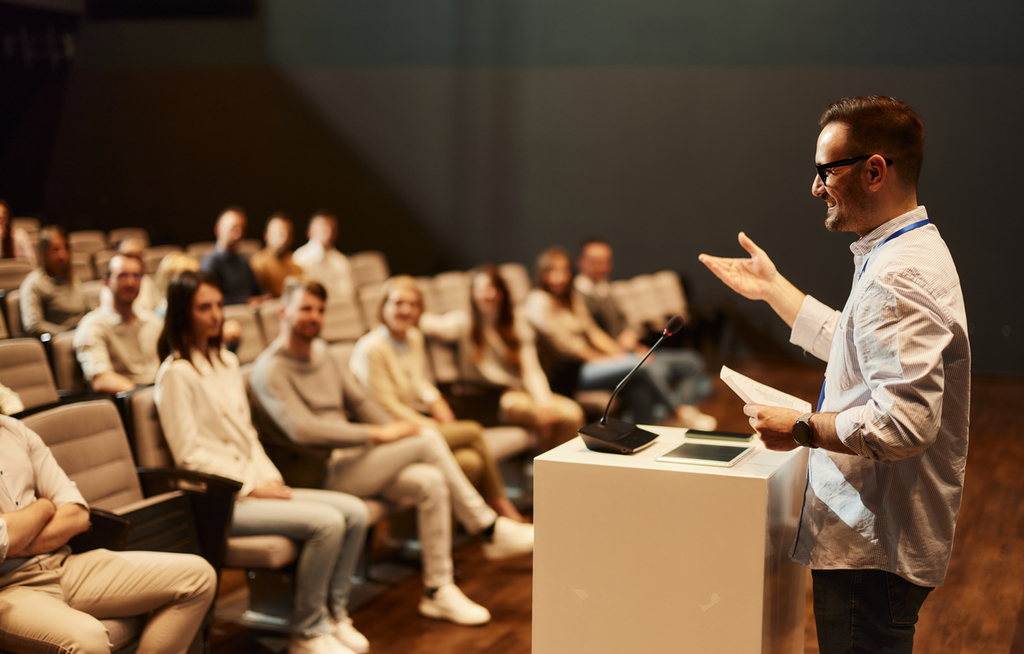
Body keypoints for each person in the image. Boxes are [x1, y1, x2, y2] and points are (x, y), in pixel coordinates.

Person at [699, 95, 969, 654]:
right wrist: (774, 290)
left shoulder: (899, 275)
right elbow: (860, 344)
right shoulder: (903, 251)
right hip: (874, 537)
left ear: (874, 171)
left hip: (873, 546)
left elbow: (905, 425)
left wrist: (802, 427)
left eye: (827, 171)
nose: (817, 188)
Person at [249, 278, 535, 627]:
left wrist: (390, 431)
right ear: (283, 312)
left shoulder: (324, 356)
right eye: (306, 308)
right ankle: (487, 527)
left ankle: (438, 590)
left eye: (320, 310)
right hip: (319, 475)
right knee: (427, 439)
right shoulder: (269, 369)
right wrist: (379, 433)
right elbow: (302, 430)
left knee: (430, 480)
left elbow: (361, 402)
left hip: (353, 462)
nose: (315, 317)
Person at [154, 271, 369, 654]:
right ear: (183, 314)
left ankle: (335, 615)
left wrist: (271, 481)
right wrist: (252, 488)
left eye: (219, 305)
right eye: (204, 307)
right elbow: (191, 456)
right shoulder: (175, 375)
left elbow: (249, 438)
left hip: (256, 484)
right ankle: (306, 630)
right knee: (329, 522)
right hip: (220, 499)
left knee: (355, 512)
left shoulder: (225, 362)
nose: (216, 315)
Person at [0, 412, 216, 654]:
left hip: (61, 564)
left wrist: (29, 527)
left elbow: (77, 512)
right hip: (7, 587)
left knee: (198, 577)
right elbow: (2, 540)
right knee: (88, 641)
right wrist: (45, 506)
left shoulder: (14, 429)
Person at [349, 275, 527, 522]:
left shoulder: (413, 337)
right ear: (383, 307)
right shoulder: (372, 348)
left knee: (471, 462)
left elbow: (418, 380)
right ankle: (502, 513)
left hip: (414, 423)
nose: (406, 310)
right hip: (388, 433)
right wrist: (431, 425)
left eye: (413, 305)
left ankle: (458, 530)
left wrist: (435, 399)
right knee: (473, 432)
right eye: (398, 303)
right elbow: (386, 409)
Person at [525, 247, 710, 428]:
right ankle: (677, 412)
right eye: (551, 271)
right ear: (541, 272)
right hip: (571, 373)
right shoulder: (538, 301)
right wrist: (613, 359)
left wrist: (619, 354)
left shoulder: (569, 298)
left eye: (563, 270)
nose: (559, 277)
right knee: (642, 367)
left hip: (592, 364)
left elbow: (593, 332)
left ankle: (643, 434)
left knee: (639, 387)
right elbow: (569, 348)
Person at [419, 265, 586, 449]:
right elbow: (428, 323)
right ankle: (542, 470)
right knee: (545, 418)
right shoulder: (463, 323)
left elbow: (531, 370)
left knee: (573, 413)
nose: (488, 295)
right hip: (495, 398)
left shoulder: (515, 324)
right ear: (473, 294)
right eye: (482, 289)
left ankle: (556, 471)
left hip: (522, 391)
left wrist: (543, 401)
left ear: (502, 293)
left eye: (493, 288)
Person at [574, 237, 716, 429]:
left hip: (628, 353)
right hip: (603, 361)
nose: (601, 266)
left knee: (691, 361)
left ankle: (670, 416)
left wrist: (633, 340)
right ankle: (678, 412)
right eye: (595, 261)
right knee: (644, 373)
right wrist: (622, 353)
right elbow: (589, 335)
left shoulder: (606, 289)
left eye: (605, 261)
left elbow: (625, 322)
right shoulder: (576, 296)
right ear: (580, 262)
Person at [74, 253, 163, 395]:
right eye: (122, 276)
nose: (130, 283)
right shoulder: (93, 325)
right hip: (129, 402)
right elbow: (101, 379)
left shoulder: (154, 322)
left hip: (164, 394)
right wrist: (144, 397)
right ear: (106, 282)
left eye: (136, 276)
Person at [19, 225, 88, 336]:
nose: (62, 255)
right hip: (59, 344)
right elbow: (33, 325)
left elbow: (90, 309)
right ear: (44, 253)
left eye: (65, 248)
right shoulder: (33, 284)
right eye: (55, 250)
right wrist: (68, 335)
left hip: (83, 335)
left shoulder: (72, 280)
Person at [199, 206, 267, 306]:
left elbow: (256, 290)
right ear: (218, 230)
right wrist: (246, 301)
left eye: (242, 230)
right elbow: (211, 298)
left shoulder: (242, 261)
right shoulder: (210, 263)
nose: (238, 235)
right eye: (233, 229)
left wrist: (265, 296)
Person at [292, 211, 355, 301]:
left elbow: (348, 292)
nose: (327, 232)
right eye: (322, 228)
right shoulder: (299, 257)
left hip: (338, 307)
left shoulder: (341, 260)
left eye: (331, 228)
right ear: (309, 231)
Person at [100, 237, 161, 314]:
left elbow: (157, 307)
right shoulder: (111, 283)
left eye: (137, 256)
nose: (130, 282)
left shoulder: (147, 280)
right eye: (128, 255)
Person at [250, 212, 304, 297]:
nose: (284, 238)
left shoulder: (295, 262)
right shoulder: (258, 263)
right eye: (279, 233)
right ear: (266, 235)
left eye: (288, 234)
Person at [0, 200, 35, 264]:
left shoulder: (19, 235)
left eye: (4, 218)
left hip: (19, 273)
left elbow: (31, 263)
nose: (1, 222)